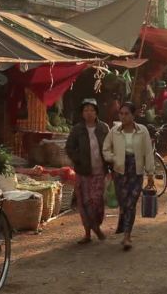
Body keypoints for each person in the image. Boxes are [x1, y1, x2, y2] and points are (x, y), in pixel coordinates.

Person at [102, 102, 155, 251]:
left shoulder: (142, 131)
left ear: (133, 115)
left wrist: (150, 172)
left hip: (136, 171)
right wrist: (114, 158)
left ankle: (127, 236)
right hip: (119, 171)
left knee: (131, 203)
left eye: (127, 114)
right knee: (124, 203)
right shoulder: (114, 131)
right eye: (121, 114)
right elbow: (105, 149)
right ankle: (123, 220)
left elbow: (148, 153)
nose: (123, 117)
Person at [65, 99, 109, 244]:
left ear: (96, 112)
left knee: (97, 201)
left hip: (99, 171)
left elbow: (110, 147)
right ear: (82, 113)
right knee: (84, 203)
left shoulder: (103, 128)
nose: (89, 113)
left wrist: (111, 165)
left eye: (91, 110)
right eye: (86, 110)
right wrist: (78, 159)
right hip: (83, 172)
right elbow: (69, 147)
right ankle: (89, 232)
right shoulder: (77, 129)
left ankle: (96, 225)